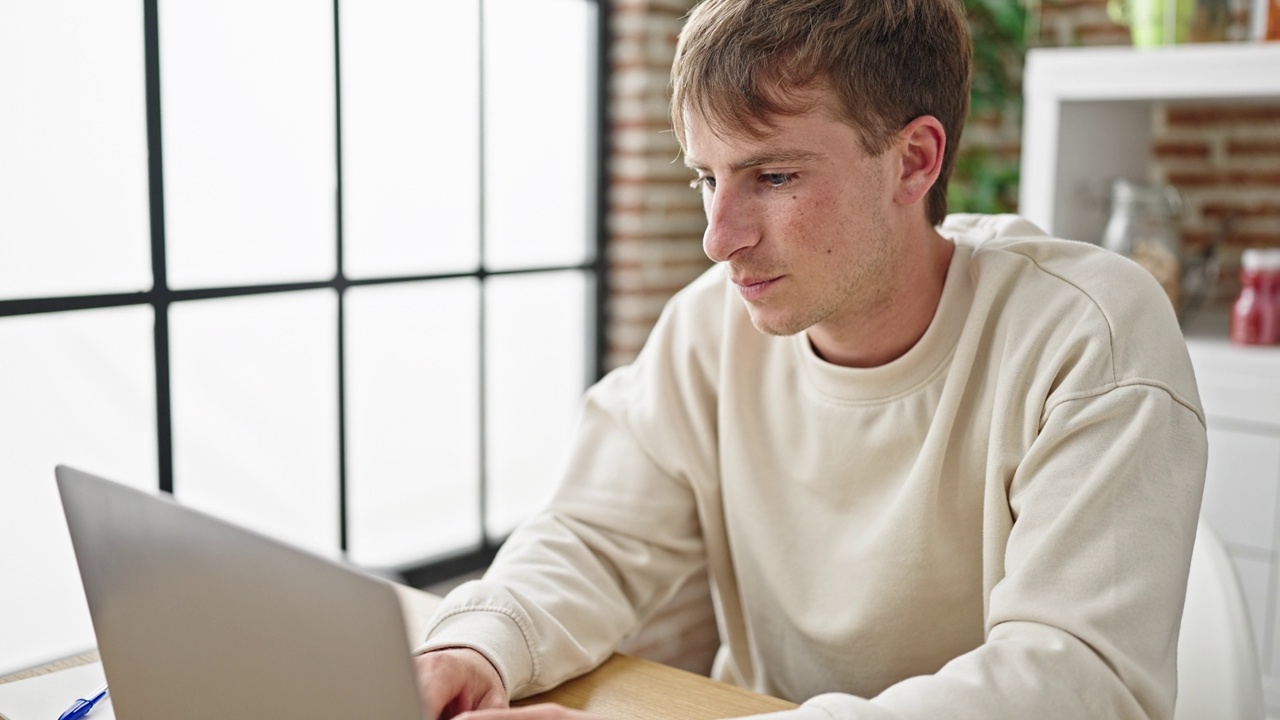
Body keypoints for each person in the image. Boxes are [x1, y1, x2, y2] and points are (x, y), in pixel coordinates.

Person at [411, 0, 1208, 717]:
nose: (718, 240)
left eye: (775, 174)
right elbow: (593, 537)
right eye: (707, 177)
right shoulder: (708, 329)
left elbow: (1077, 683)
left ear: (914, 160)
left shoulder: (1086, 334)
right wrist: (480, 642)